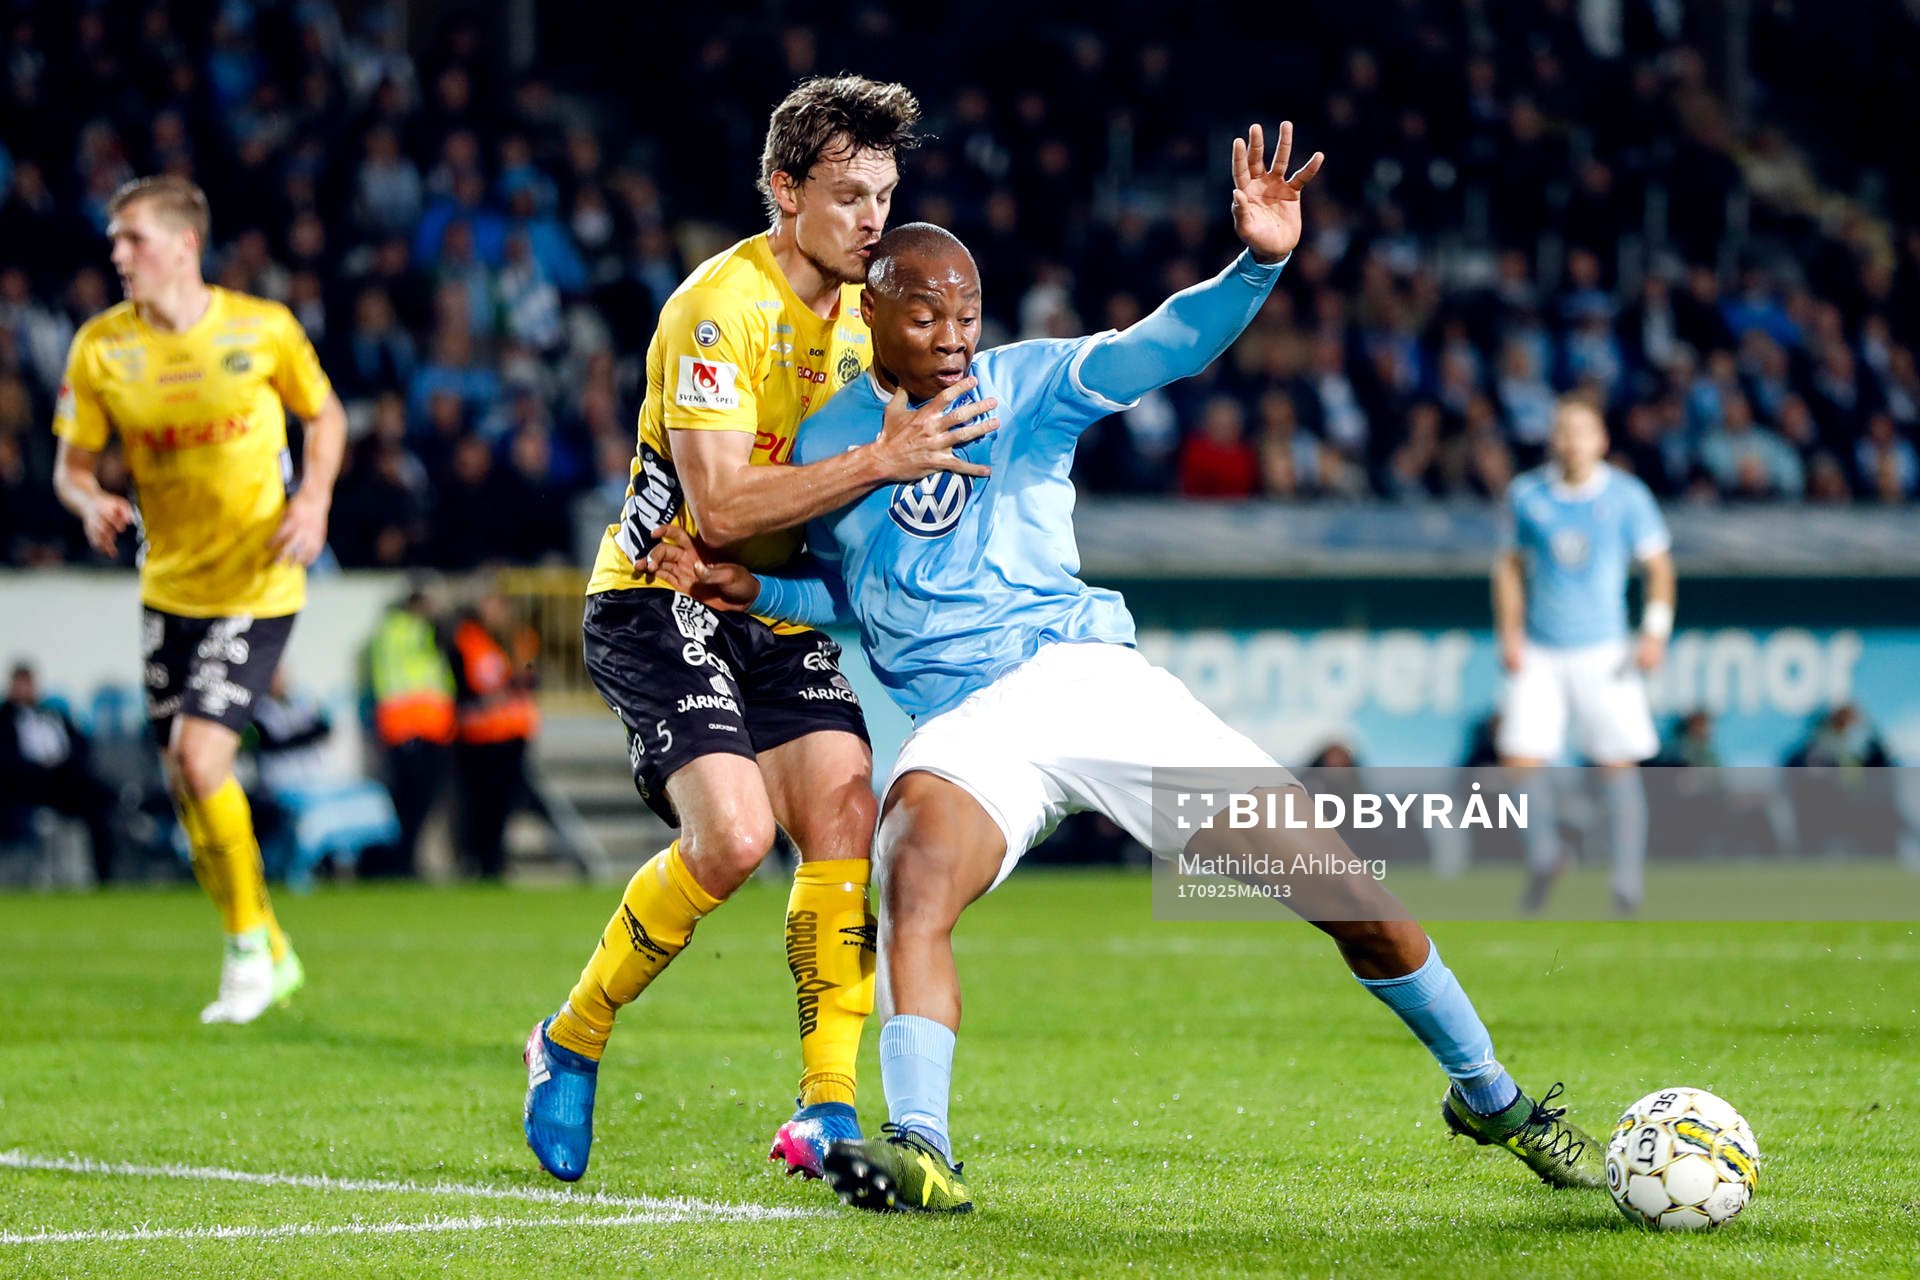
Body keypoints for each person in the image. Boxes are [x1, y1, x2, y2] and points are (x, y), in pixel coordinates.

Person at [653, 122, 1605, 1213]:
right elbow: (853, 596)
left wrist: (1258, 262)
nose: (954, 336)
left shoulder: (1027, 386)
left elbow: (1163, 343)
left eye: (967, 313)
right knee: (909, 870)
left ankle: (1489, 1093)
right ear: (871, 310)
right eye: (925, 314)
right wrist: (754, 592)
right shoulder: (824, 443)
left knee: (1354, 899)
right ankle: (922, 1143)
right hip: (965, 724)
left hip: (1086, 681)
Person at [522, 75, 1003, 1184]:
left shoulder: (872, 324)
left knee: (848, 814)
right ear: (785, 192)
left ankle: (826, 1108)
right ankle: (573, 1035)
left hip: (767, 607)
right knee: (734, 839)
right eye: (847, 195)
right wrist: (882, 457)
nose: (873, 219)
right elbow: (724, 508)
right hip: (663, 592)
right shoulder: (715, 308)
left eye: (884, 193)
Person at [51, 175, 347, 1024]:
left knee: (198, 758)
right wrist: (89, 502)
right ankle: (265, 940)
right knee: (188, 781)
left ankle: (249, 954)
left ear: (185, 245)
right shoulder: (101, 350)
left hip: (259, 580)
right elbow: (70, 470)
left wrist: (316, 499)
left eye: (132, 239)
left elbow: (325, 421)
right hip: (168, 587)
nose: (118, 255)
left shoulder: (264, 330)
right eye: (114, 241)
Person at [1492, 397, 1676, 916]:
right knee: (1521, 762)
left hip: (1604, 649)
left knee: (1617, 764)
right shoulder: (1528, 495)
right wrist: (1509, 634)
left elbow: (1658, 568)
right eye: (1563, 430)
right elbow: (1508, 566)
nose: (1571, 440)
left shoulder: (1626, 497)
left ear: (1601, 441)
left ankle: (1626, 882)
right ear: (1553, 439)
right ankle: (1547, 857)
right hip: (1541, 650)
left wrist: (1653, 633)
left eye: (1582, 431)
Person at [362, 584, 457, 878]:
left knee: (412, 803)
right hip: (411, 727)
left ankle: (403, 862)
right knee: (410, 803)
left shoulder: (392, 632)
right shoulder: (407, 630)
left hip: (420, 728)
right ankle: (400, 864)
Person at [0, 661, 120, 884]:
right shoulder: (5, 720)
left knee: (99, 801)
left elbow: (81, 746)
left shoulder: (54, 714)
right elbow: (7, 762)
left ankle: (105, 878)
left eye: (29, 683)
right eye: (20, 683)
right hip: (24, 786)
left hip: (62, 782)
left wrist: (62, 765)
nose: (25, 689)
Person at [450, 590, 539, 881]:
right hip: (480, 737)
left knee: (503, 804)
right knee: (479, 804)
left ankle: (494, 859)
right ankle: (476, 860)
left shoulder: (518, 639)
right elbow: (471, 686)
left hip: (512, 736)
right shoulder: (469, 639)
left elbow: (530, 677)